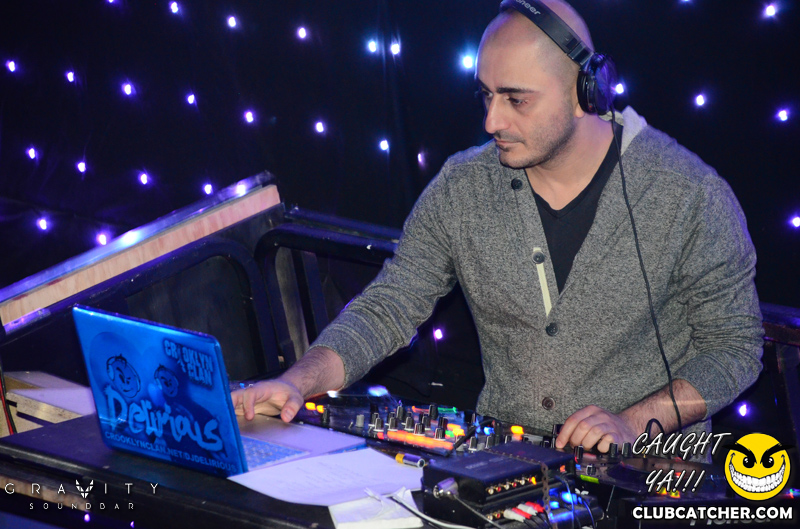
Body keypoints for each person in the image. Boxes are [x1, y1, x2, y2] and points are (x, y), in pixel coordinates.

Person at [233, 0, 763, 454]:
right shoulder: (464, 185)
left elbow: (735, 348)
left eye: (516, 99)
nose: (492, 122)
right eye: (486, 95)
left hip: (650, 475)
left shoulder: (689, 194)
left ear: (586, 93)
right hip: (504, 465)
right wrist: (297, 381)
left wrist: (633, 422)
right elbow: (389, 306)